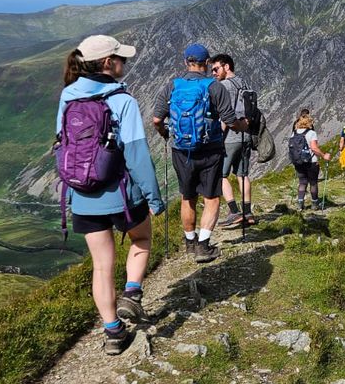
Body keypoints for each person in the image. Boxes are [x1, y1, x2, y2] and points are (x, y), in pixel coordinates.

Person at [57, 35, 165, 355]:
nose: (124, 63)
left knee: (102, 266)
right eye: (121, 59)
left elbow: (62, 143)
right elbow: (137, 156)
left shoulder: (68, 96)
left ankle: (113, 333)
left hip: (82, 196)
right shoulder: (122, 100)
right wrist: (154, 199)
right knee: (142, 239)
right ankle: (132, 293)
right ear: (108, 63)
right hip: (121, 194)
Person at [151, 43, 247, 264]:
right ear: (206, 64)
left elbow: (157, 120)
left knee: (188, 197)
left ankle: (190, 242)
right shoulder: (214, 87)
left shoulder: (172, 86)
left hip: (180, 150)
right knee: (211, 198)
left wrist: (166, 133)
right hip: (210, 150)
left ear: (186, 62)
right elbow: (230, 121)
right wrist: (243, 126)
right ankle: (204, 246)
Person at [208, 53, 256, 228]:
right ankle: (248, 212)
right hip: (246, 135)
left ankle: (234, 211)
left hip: (229, 138)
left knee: (221, 175)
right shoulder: (244, 83)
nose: (213, 72)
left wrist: (217, 138)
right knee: (242, 175)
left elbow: (224, 116)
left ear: (226, 67)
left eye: (216, 68)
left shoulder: (224, 86)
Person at [291, 113, 331, 209]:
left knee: (302, 182)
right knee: (313, 183)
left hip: (298, 162)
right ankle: (314, 204)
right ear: (309, 123)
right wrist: (323, 155)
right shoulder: (311, 133)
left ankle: (300, 204)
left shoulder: (294, 133)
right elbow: (314, 148)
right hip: (311, 161)